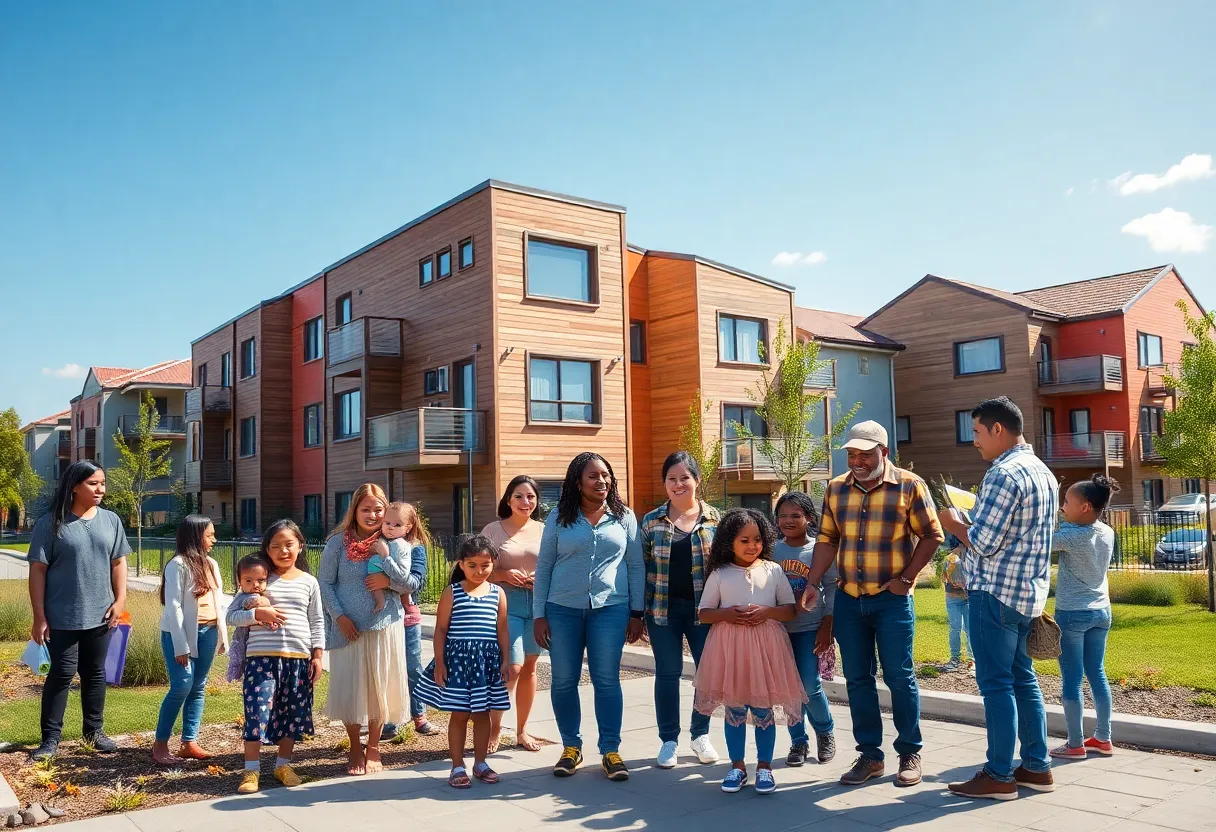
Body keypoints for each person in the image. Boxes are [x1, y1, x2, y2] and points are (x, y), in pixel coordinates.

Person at [800, 420, 944, 788]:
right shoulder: (836, 489)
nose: (857, 460)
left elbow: (932, 535)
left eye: (865, 454)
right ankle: (870, 755)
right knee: (858, 680)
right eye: (851, 454)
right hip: (849, 599)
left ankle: (909, 751)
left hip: (891, 602)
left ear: (884, 452)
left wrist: (907, 579)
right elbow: (827, 540)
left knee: (899, 677)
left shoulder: (910, 485)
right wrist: (814, 583)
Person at [940, 397, 1059, 800]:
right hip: (1027, 594)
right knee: (1023, 680)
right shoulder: (1044, 471)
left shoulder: (1002, 474)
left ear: (997, 429)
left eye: (976, 431)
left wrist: (954, 523)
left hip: (993, 593)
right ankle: (1036, 768)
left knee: (996, 685)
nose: (973, 440)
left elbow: (985, 543)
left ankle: (998, 775)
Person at [533, 452, 645, 782]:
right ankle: (571, 748)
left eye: (606, 475)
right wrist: (540, 614)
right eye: (594, 476)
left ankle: (610, 750)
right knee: (565, 680)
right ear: (578, 482)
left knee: (606, 680)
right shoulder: (559, 517)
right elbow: (545, 566)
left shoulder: (624, 516)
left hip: (611, 610)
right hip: (562, 609)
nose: (602, 481)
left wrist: (636, 612)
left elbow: (635, 565)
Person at [693, 508, 805, 795]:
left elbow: (790, 610)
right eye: (744, 540)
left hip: (767, 650)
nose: (752, 545)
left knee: (763, 708)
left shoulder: (773, 570)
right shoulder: (719, 574)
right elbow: (704, 613)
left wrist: (768, 611)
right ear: (729, 541)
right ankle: (738, 766)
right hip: (730, 650)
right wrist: (726, 614)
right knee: (735, 707)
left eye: (756, 539)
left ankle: (765, 767)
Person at [27, 461, 131, 761]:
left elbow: (118, 563)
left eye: (102, 483)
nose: (100, 489)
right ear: (74, 486)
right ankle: (50, 740)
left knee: (95, 673)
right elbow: (37, 571)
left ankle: (94, 732)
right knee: (61, 674)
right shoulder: (51, 523)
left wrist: (120, 599)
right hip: (62, 615)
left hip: (102, 614)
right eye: (93, 483)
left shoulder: (111, 521)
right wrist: (39, 615)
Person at [319, 484, 412, 775]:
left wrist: (388, 583)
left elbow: (409, 583)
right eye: (366, 509)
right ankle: (354, 748)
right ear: (355, 511)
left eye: (379, 510)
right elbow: (325, 583)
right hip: (348, 628)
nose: (373, 515)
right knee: (350, 688)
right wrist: (339, 617)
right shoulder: (337, 543)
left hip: (384, 626)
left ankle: (373, 747)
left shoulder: (393, 542)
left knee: (378, 689)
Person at [227, 520, 325, 794]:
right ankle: (251, 771)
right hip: (261, 660)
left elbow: (317, 620)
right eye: (275, 546)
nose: (283, 551)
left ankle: (283, 765)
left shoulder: (309, 582)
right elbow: (231, 615)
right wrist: (258, 614)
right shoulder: (258, 577)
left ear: (300, 546)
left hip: (297, 660)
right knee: (256, 714)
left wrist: (317, 655)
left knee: (292, 715)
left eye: (289, 545)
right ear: (266, 549)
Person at [640, 451, 722, 769]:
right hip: (662, 610)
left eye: (684, 477)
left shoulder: (716, 519)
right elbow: (642, 568)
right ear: (664, 484)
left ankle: (700, 734)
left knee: (707, 676)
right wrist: (638, 614)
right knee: (667, 674)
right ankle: (669, 741)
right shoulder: (651, 521)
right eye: (672, 479)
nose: (678, 484)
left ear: (697, 480)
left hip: (705, 612)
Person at [414, 535, 512, 788]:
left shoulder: (498, 593)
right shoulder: (452, 592)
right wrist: (440, 662)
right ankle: (457, 765)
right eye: (472, 565)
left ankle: (481, 763)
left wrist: (505, 660)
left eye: (485, 565)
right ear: (461, 564)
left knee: (482, 713)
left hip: (486, 665)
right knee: (460, 713)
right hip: (458, 663)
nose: (479, 571)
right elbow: (441, 630)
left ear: (493, 563)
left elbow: (502, 630)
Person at [1049, 475, 1118, 760]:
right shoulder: (1106, 531)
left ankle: (1075, 744)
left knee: (1072, 679)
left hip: (1072, 615)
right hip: (1101, 612)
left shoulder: (1071, 536)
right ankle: (1103, 737)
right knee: (1097, 673)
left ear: (1086, 507)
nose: (1062, 507)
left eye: (1066, 502)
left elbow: (1039, 544)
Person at [153, 514, 230, 765]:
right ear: (196, 536)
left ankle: (189, 742)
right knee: (181, 686)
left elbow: (218, 603)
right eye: (209, 535)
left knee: (198, 686)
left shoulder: (212, 564)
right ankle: (161, 744)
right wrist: (181, 644)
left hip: (208, 633)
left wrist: (222, 636)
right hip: (181, 634)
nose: (214, 539)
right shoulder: (178, 565)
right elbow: (173, 607)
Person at [483, 475, 546, 753]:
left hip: (538, 605)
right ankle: (494, 729)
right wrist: (503, 573)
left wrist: (540, 580)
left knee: (531, 668)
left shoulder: (546, 530)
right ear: (508, 499)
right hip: (506, 604)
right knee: (512, 668)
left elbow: (556, 567)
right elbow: (477, 569)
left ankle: (521, 731)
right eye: (519, 496)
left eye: (531, 496)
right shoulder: (493, 530)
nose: (525, 502)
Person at [774, 491, 837, 767]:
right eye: (783, 516)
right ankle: (798, 741)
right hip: (780, 630)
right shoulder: (772, 550)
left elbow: (833, 586)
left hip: (811, 626)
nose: (788, 520)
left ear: (809, 518)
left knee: (809, 685)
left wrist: (828, 623)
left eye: (795, 516)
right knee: (788, 688)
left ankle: (825, 731)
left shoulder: (819, 549)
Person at [375, 502, 438, 741]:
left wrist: (386, 582)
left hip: (407, 616)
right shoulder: (377, 543)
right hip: (383, 617)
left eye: (397, 524)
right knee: (388, 670)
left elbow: (414, 582)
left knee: (412, 667)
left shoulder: (415, 548)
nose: (390, 528)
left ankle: (419, 715)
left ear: (409, 526)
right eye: (387, 523)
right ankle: (389, 721)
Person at [224, 554, 277, 683]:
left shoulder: (266, 594)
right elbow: (229, 616)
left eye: (261, 580)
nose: (255, 584)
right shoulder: (241, 596)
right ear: (239, 581)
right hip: (245, 642)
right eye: (248, 580)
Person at [940, 538, 974, 674]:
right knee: (963, 629)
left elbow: (944, 579)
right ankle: (963, 659)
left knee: (961, 629)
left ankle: (961, 660)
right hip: (959, 598)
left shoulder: (966, 558)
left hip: (958, 598)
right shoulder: (953, 559)